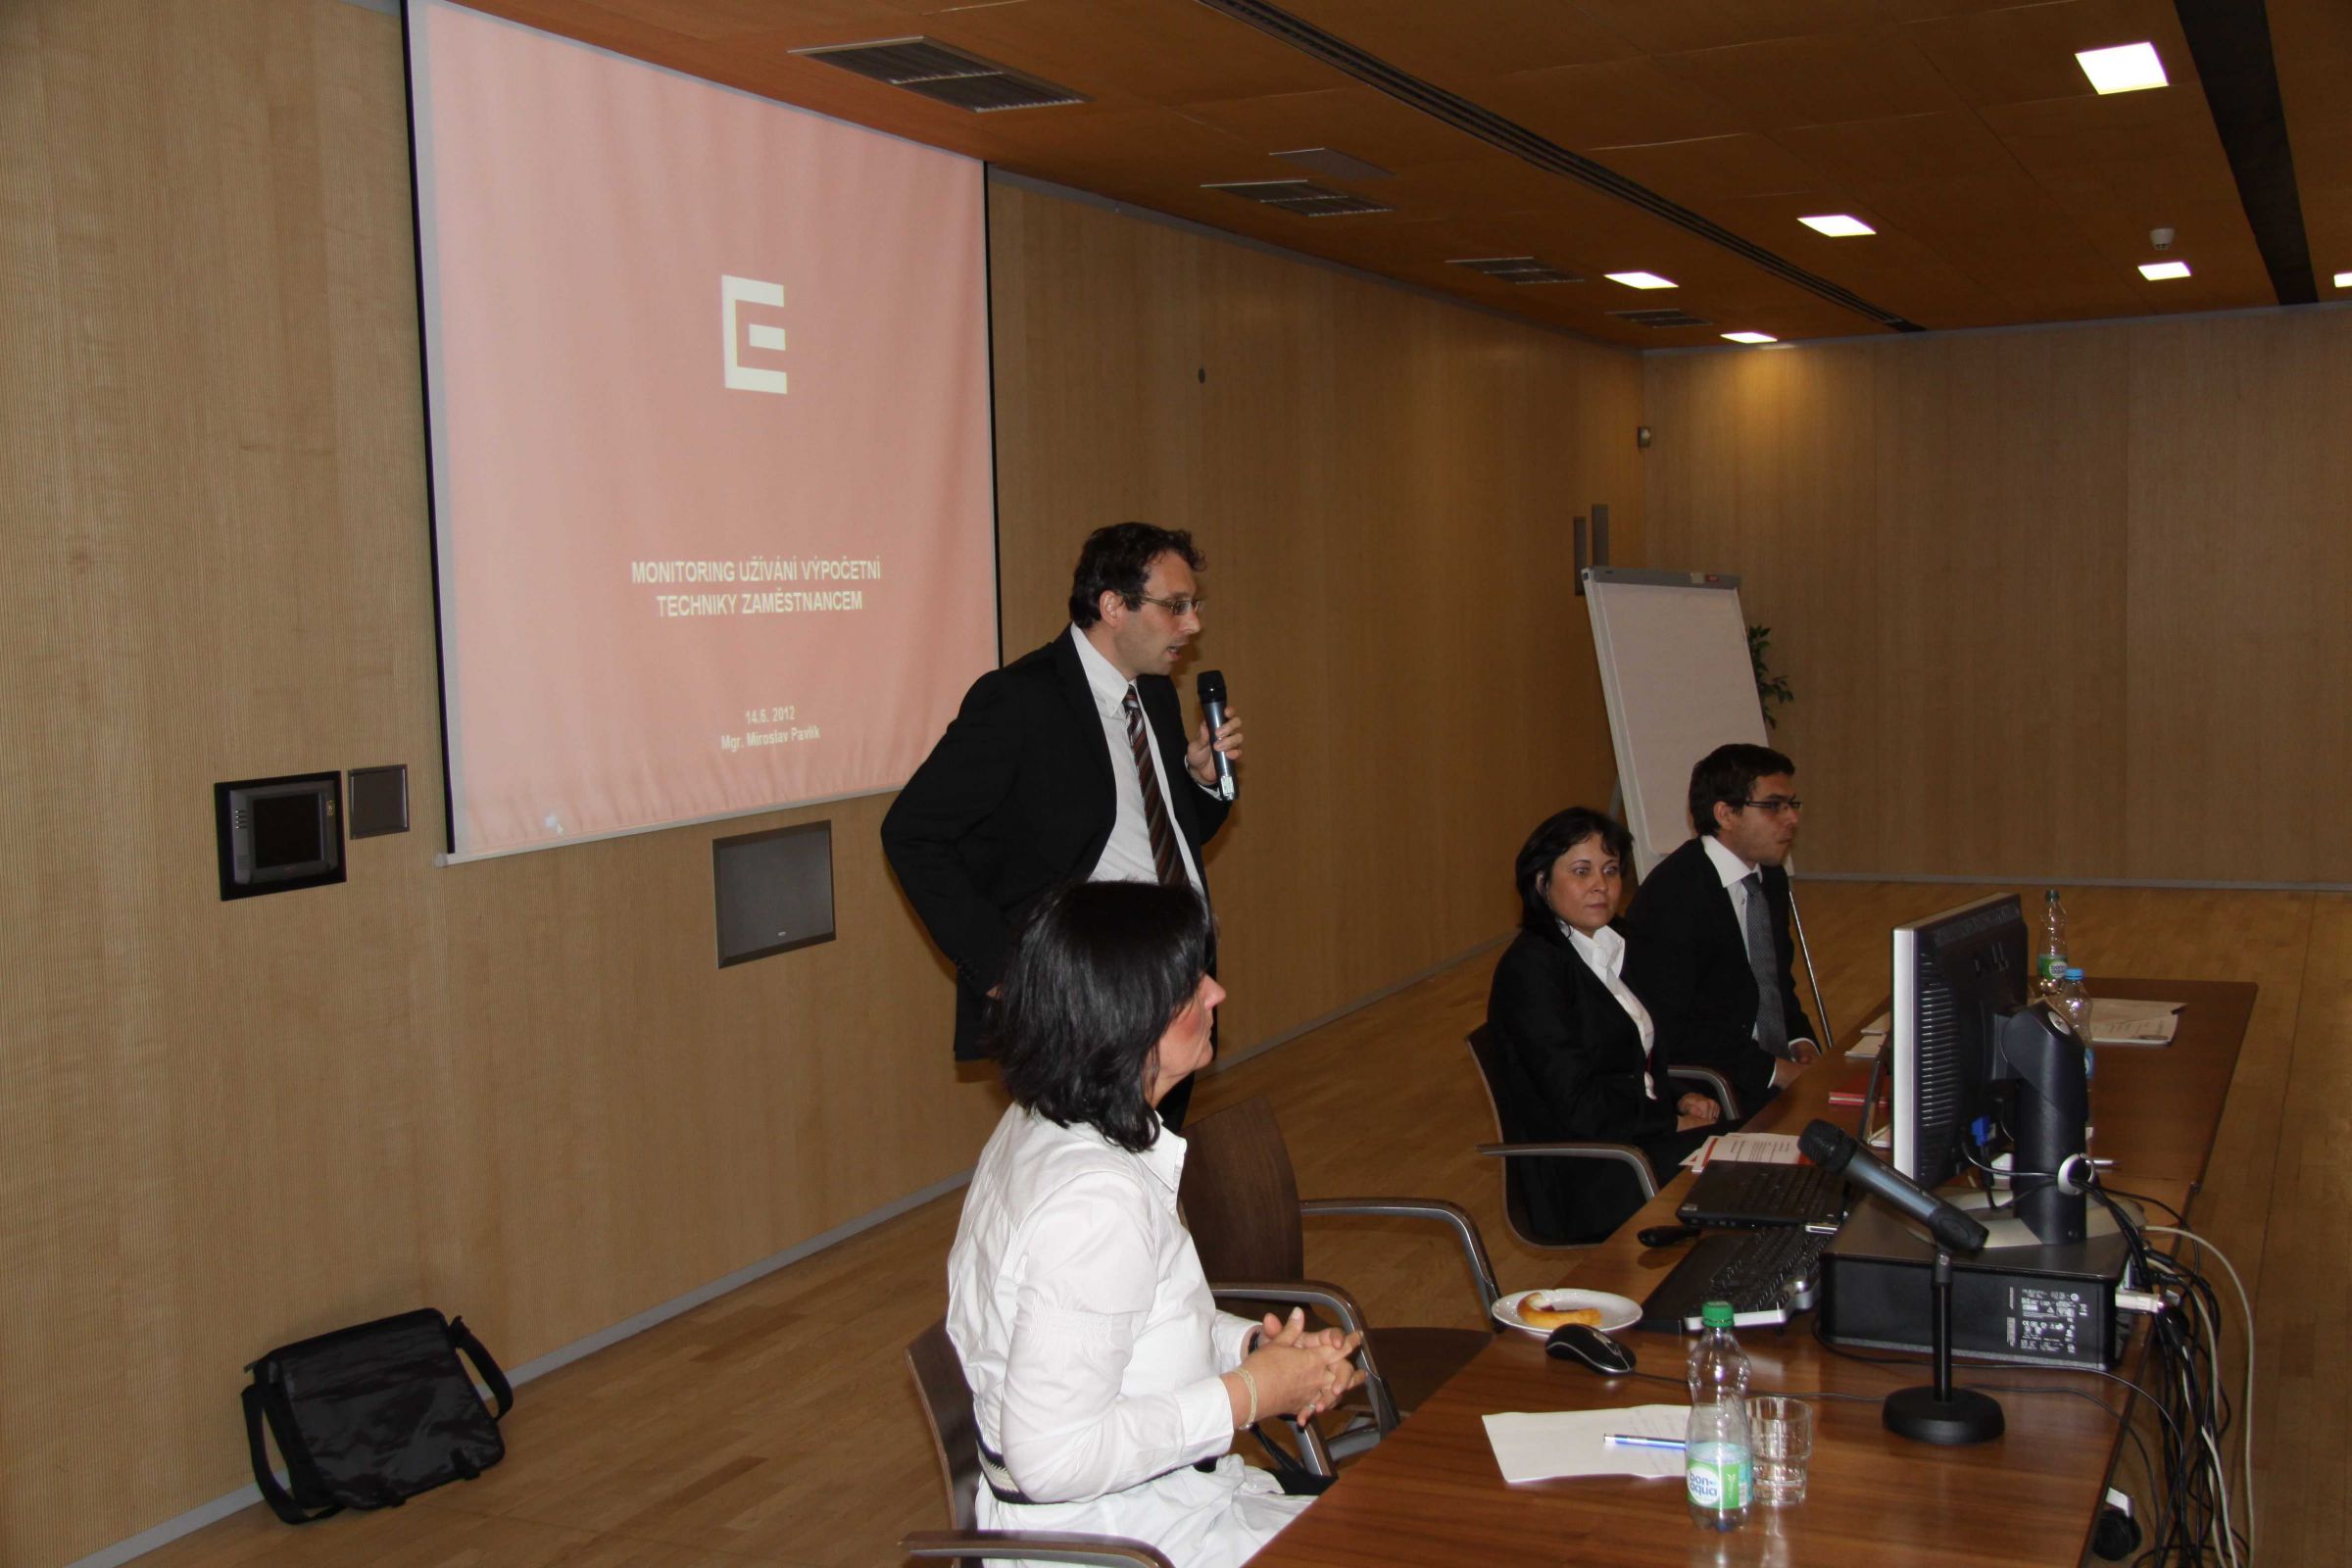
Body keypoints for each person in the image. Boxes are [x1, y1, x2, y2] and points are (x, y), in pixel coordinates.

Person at [947, 881, 1361, 1568]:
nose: (1217, 993)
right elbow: (1053, 1458)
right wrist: (1251, 1393)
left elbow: (1128, 1330)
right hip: (1120, 1544)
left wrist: (1252, 1348)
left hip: (1156, 1511)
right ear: (1129, 1020)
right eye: (1191, 986)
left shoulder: (1046, 1121)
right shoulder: (1094, 1203)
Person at [882, 522, 1243, 1128]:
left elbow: (1171, 835)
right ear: (1113, 606)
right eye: (1176, 606)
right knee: (1095, 1172)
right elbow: (912, 832)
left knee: (1155, 1167)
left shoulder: (1153, 693)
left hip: (1175, 980)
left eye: (1194, 606)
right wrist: (1004, 972)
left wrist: (1201, 781)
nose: (1192, 625)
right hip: (1093, 1003)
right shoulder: (1019, 701)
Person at [1484, 808, 1723, 1245]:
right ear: (1541, 882)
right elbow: (1578, 1104)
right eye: (1581, 871)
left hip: (1631, 1143)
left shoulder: (1614, 947)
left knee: (1765, 1152)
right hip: (1588, 1172)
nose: (1601, 884)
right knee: (1751, 1168)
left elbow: (1624, 1061)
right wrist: (1669, 1122)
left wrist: (1678, 1096)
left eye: (1610, 870)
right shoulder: (1531, 970)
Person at [1623, 743, 1819, 1112]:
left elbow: (1774, 983)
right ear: (1726, 814)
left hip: (1764, 1066)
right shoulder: (1673, 896)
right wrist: (1775, 1071)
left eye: (1792, 804)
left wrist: (1800, 1041)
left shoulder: (1770, 876)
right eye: (1774, 806)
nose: (1792, 818)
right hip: (1712, 1084)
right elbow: (1671, 1027)